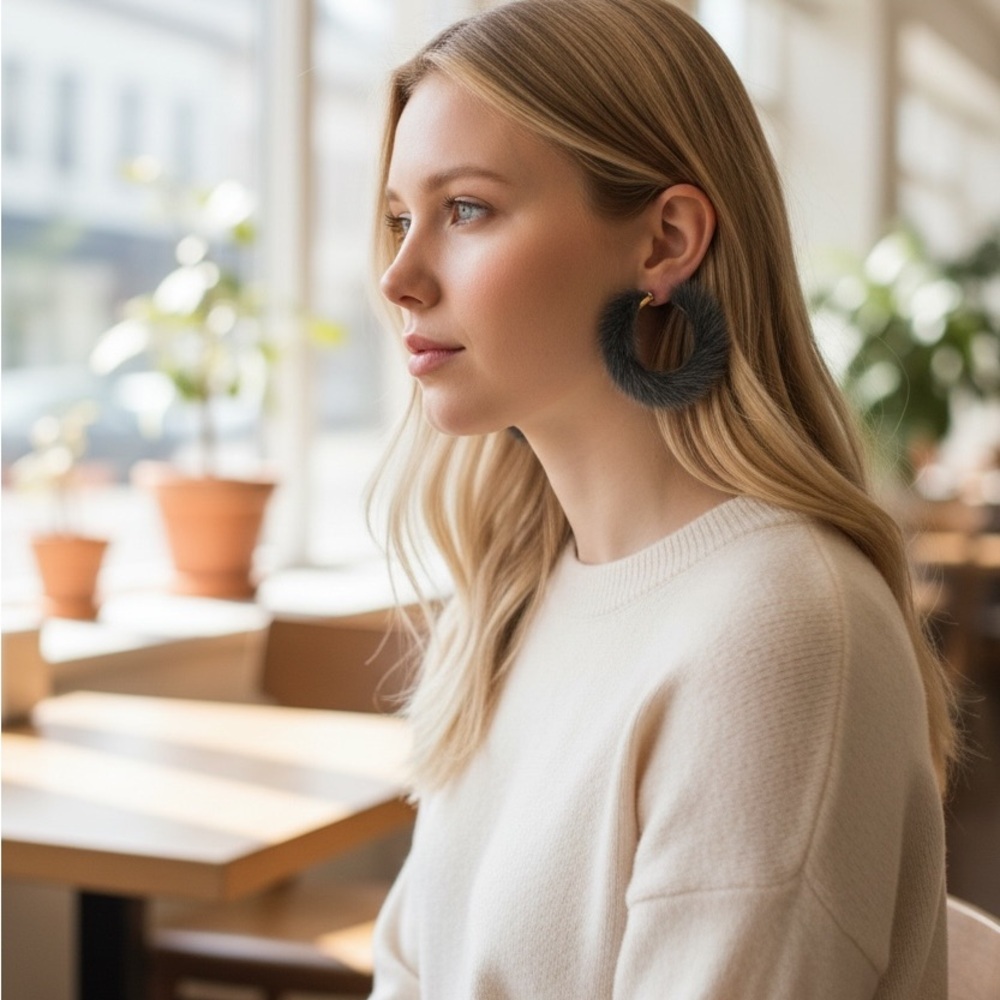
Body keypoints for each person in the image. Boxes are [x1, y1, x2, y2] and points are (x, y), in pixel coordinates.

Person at [365, 1, 957, 996]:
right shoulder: (517, 589)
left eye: (465, 208)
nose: (399, 277)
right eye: (397, 218)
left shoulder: (778, 628)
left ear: (664, 241)